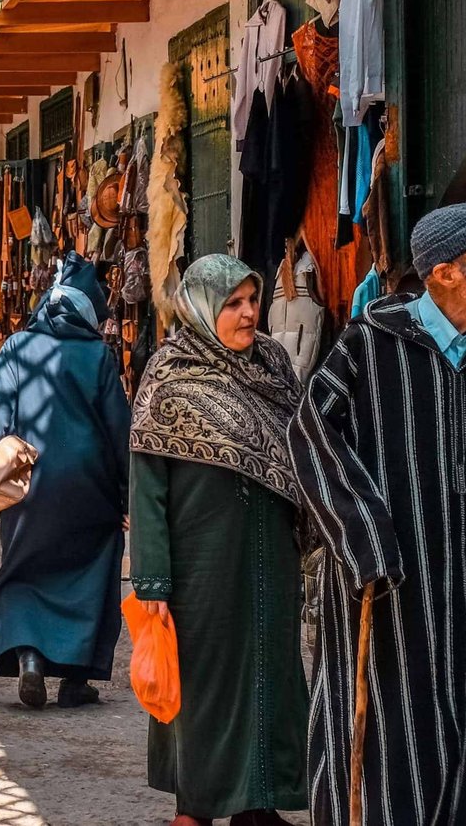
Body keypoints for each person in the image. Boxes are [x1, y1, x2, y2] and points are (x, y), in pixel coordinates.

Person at [291, 202, 466, 826]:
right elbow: (310, 434)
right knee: (397, 743)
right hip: (393, 586)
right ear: (444, 273)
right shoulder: (370, 344)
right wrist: (364, 537)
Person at [128, 255, 308, 826]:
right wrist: (152, 580)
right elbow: (147, 488)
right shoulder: (170, 374)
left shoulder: (273, 365)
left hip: (271, 553)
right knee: (204, 684)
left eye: (253, 300)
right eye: (233, 303)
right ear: (203, 309)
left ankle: (258, 804)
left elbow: (303, 449)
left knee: (271, 673)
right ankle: (198, 806)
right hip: (200, 564)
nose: (249, 313)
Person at [0, 257, 128, 709]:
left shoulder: (17, 347)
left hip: (28, 483)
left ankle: (30, 657)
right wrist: (130, 495)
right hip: (90, 486)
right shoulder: (98, 356)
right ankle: (76, 680)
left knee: (25, 567)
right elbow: (118, 429)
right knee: (90, 573)